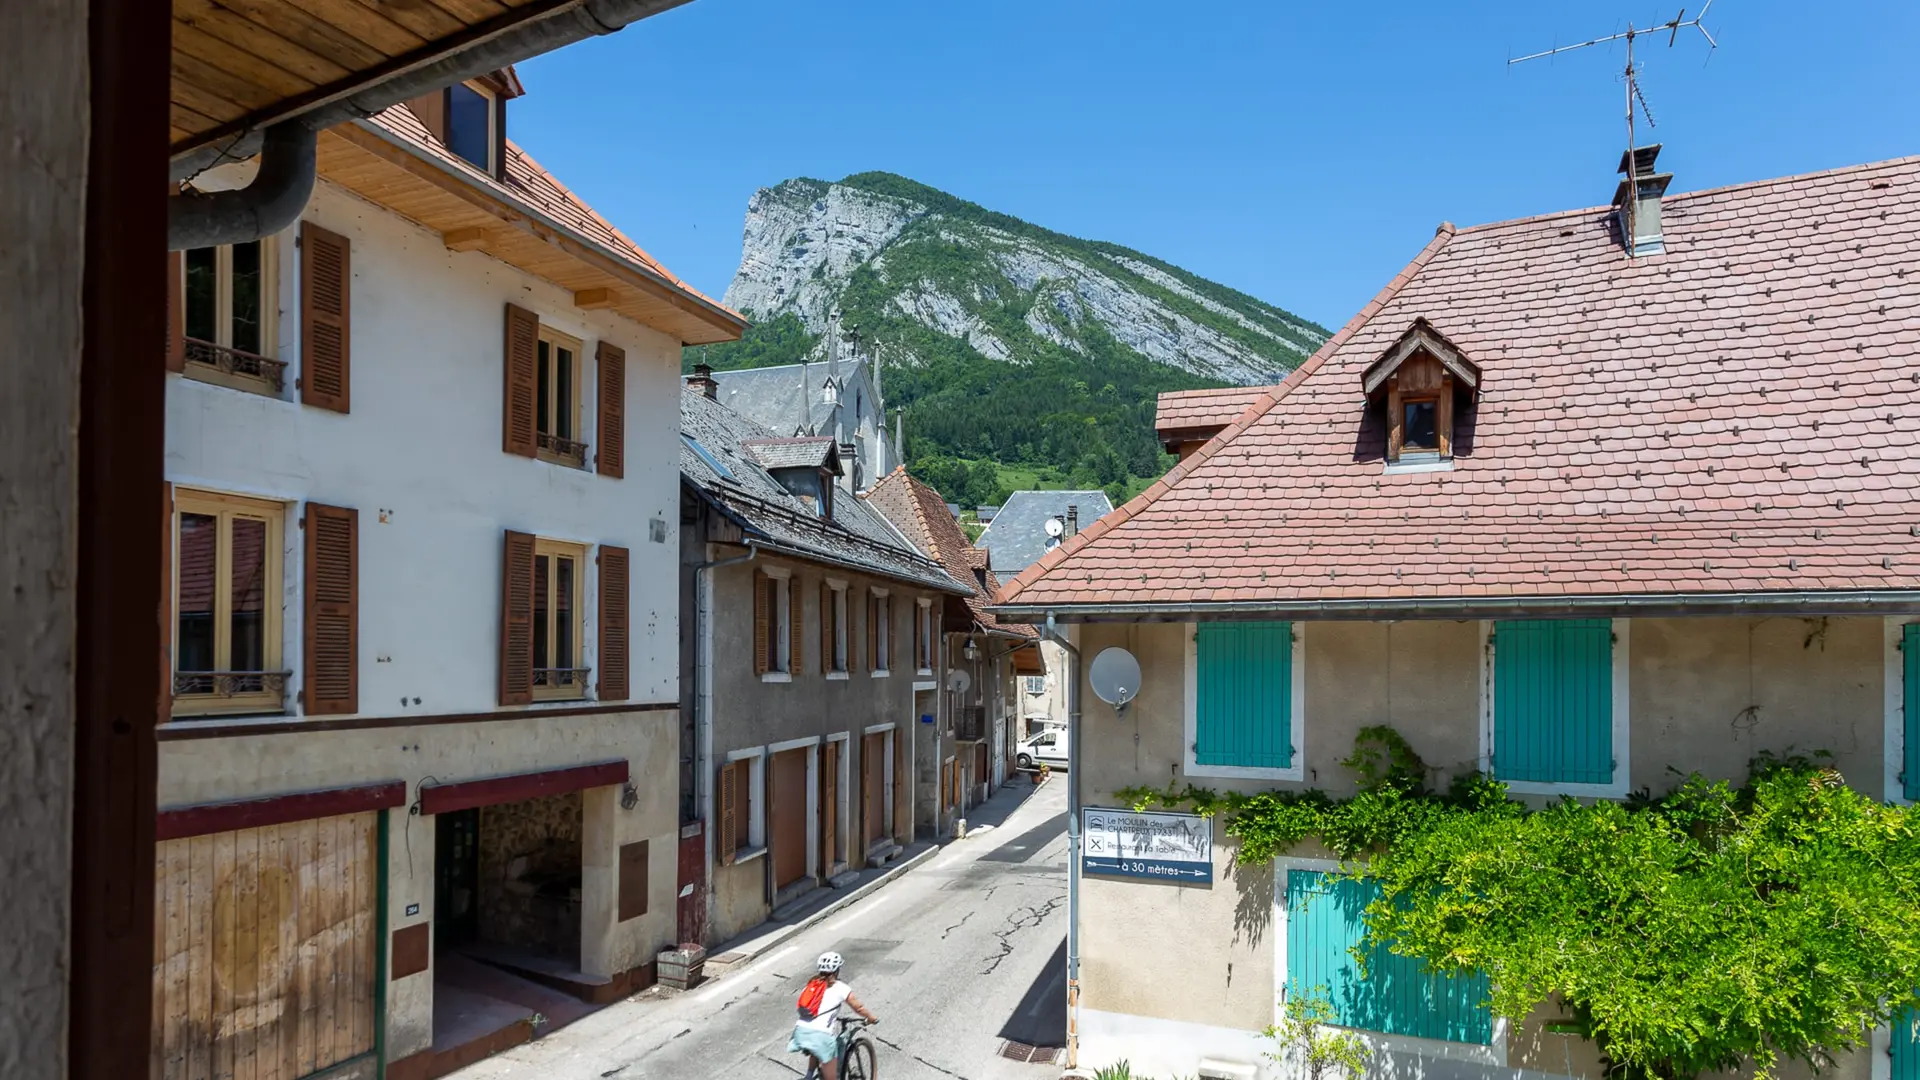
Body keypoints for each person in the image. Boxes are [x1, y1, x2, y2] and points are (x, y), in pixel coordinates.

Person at [789, 951, 878, 1079]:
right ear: (836, 971)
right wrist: (871, 1018)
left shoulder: (810, 986)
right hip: (820, 1036)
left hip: (800, 1032)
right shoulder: (840, 988)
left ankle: (808, 1076)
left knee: (816, 1049)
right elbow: (858, 1008)